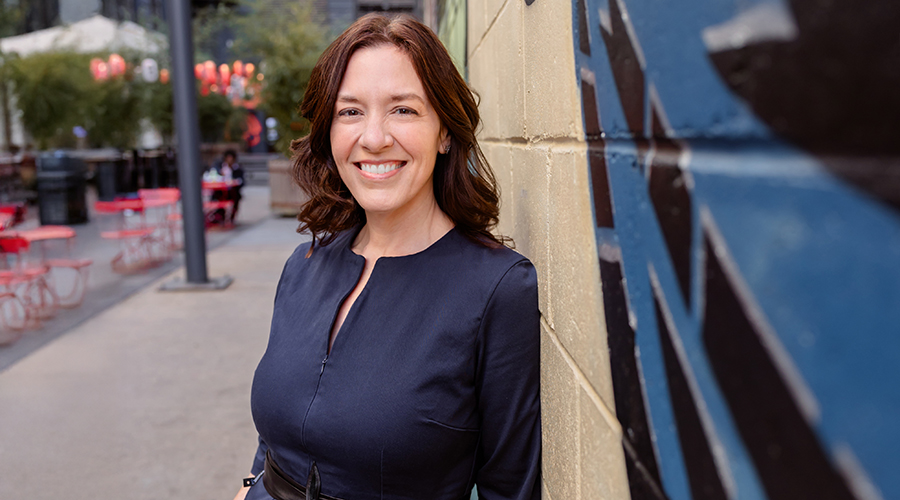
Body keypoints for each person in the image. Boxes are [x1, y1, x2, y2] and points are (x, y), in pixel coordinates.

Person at [236, 13, 540, 500]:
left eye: (403, 110)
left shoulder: (497, 289)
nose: (373, 137)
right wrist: (250, 486)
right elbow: (275, 429)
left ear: (445, 132)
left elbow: (511, 486)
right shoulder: (305, 265)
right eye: (350, 112)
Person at [205, 149, 245, 223]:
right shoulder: (219, 167)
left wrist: (234, 181)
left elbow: (241, 181)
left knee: (234, 197)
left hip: (232, 192)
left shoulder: (237, 169)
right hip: (220, 191)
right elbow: (212, 175)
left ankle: (230, 218)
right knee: (218, 196)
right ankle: (219, 216)